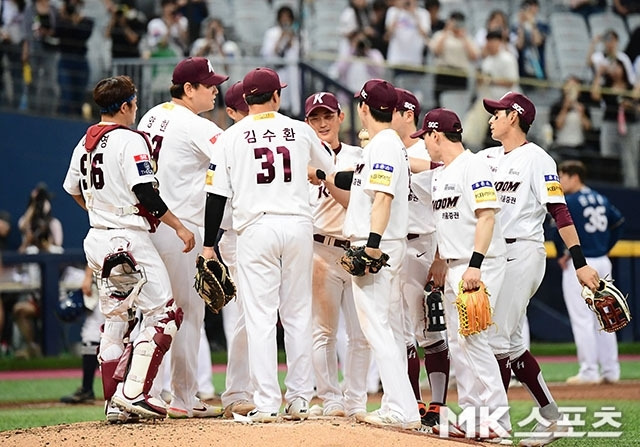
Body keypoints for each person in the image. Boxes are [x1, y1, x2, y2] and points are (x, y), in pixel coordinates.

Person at [201, 67, 334, 422]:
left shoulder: (231, 136)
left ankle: (265, 402)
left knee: (259, 317)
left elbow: (215, 196)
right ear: (277, 96)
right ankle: (300, 398)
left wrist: (208, 245)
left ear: (246, 99)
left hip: (255, 229)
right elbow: (329, 167)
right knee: (297, 314)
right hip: (297, 225)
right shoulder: (301, 130)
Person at [62, 74, 196, 421]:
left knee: (115, 319)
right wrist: (179, 226)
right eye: (133, 103)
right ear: (125, 106)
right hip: (127, 239)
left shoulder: (86, 142)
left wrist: (99, 211)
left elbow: (73, 189)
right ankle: (134, 392)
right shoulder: (129, 140)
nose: (135, 108)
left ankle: (113, 404)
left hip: (97, 238)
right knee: (165, 312)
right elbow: (147, 193)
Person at [479, 91, 601, 447]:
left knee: (494, 342)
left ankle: (495, 428)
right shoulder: (486, 157)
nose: (491, 118)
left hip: (524, 253)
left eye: (496, 113)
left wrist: (579, 263)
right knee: (514, 347)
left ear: (513, 117)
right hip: (497, 256)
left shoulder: (538, 159)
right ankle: (552, 420)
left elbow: (559, 212)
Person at [410, 107, 511, 442]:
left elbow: (486, 216)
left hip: (478, 264)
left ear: (436, 135)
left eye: (424, 136)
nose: (423, 143)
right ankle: (472, 415)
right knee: (458, 342)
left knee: (474, 340)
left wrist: (476, 265)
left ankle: (498, 420)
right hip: (454, 265)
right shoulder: (442, 172)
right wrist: (441, 260)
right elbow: (446, 223)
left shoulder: (474, 165)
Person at [137, 56, 228, 419]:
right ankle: (183, 397)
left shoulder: (151, 114)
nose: (216, 89)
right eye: (209, 85)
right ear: (188, 90)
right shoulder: (193, 123)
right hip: (182, 229)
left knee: (156, 312)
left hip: (153, 224)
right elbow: (234, 153)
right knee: (188, 314)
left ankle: (149, 392)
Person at [329, 79, 420, 430]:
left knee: (377, 328)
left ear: (364, 108)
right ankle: (403, 406)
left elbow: (383, 199)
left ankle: (400, 408)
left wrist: (371, 245)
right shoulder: (388, 145)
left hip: (377, 246)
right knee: (391, 329)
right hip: (387, 243)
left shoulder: (382, 144)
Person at [304, 91, 370, 418]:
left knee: (361, 334)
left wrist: (324, 178)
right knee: (323, 331)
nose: (322, 123)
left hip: (356, 251)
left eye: (327, 116)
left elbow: (357, 202)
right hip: (320, 250)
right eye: (315, 118)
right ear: (306, 123)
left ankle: (356, 399)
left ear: (340, 117)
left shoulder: (360, 155)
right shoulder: (299, 158)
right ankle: (330, 398)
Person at [390, 88, 450, 430]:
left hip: (424, 245)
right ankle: (412, 404)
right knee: (401, 333)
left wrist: (440, 257)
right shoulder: (387, 150)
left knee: (430, 330)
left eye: (391, 111)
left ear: (407, 114)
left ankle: (438, 406)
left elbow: (444, 210)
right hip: (397, 247)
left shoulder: (424, 153)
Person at [557, 160, 625, 385]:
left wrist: (566, 252)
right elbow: (619, 223)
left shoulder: (570, 201)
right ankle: (611, 370)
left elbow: (561, 229)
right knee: (607, 316)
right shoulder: (600, 197)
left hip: (582, 264)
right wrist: (605, 246)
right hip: (603, 261)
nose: (560, 181)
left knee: (583, 320)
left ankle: (588, 371)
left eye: (562, 176)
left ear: (574, 177)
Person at [215, 81, 257, 418]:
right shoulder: (226, 142)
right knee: (243, 317)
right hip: (236, 237)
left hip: (259, 234)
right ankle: (238, 392)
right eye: (246, 107)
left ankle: (250, 388)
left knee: (258, 315)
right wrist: (208, 245)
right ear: (232, 112)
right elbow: (214, 198)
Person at [590, 57, 639, 187]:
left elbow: (637, 104)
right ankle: (610, 185)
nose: (615, 69)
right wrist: (599, 73)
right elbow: (595, 95)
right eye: (613, 66)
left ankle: (631, 187)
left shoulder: (631, 87)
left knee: (629, 158)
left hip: (629, 125)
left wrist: (630, 105)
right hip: (610, 123)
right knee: (608, 155)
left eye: (618, 66)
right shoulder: (606, 86)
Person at [60, 266, 105, 405]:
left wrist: (87, 277)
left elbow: (97, 248)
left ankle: (87, 389)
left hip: (113, 284)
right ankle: (88, 389)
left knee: (92, 333)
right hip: (114, 283)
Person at [429, 11, 479, 108]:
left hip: (460, 74)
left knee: (458, 105)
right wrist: (447, 31)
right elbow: (436, 51)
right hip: (443, 73)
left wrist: (463, 37)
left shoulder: (467, 38)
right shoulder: (440, 35)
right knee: (440, 105)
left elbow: (474, 56)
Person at [260, 6, 302, 116]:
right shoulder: (272, 33)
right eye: (283, 17)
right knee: (280, 100)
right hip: (279, 70)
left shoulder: (298, 33)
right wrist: (280, 40)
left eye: (288, 17)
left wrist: (292, 41)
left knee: (295, 101)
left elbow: (303, 53)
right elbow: (267, 54)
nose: (285, 20)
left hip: (294, 72)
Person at [54, 0, 94, 116]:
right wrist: (70, 20)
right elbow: (59, 31)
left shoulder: (86, 16)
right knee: (66, 94)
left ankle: (76, 119)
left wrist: (75, 22)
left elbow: (84, 34)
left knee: (79, 96)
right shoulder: (61, 16)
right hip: (65, 58)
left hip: (80, 59)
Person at [549, 76, 593, 156]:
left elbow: (588, 127)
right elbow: (557, 125)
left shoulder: (583, 106)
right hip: (562, 144)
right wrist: (565, 108)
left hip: (580, 144)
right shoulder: (557, 106)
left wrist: (582, 114)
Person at [384, 0, 430, 77]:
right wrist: (399, 11)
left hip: (415, 61)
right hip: (396, 59)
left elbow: (425, 34)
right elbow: (389, 33)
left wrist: (414, 13)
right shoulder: (392, 11)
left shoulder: (423, 13)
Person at [511, 0, 549, 82]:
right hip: (522, 68)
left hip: (538, 67)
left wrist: (532, 23)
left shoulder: (541, 25)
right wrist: (521, 25)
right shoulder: (516, 27)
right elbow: (519, 45)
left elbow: (537, 41)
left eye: (533, 5)